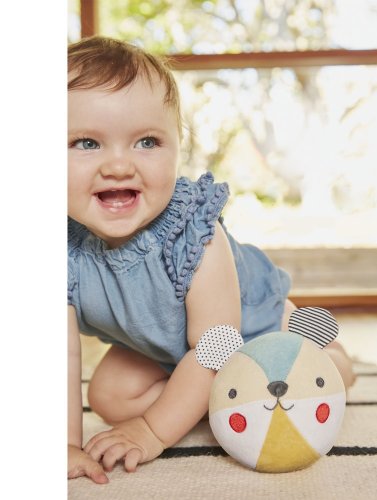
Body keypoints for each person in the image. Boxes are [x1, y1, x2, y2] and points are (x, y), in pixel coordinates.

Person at [67, 36, 355, 484]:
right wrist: (66, 444)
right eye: (87, 143)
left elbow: (217, 344)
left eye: (147, 141)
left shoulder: (192, 230)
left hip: (249, 330)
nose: (119, 166)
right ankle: (204, 399)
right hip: (164, 350)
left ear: (177, 147)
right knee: (108, 396)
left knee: (301, 379)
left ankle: (322, 352)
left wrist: (152, 430)